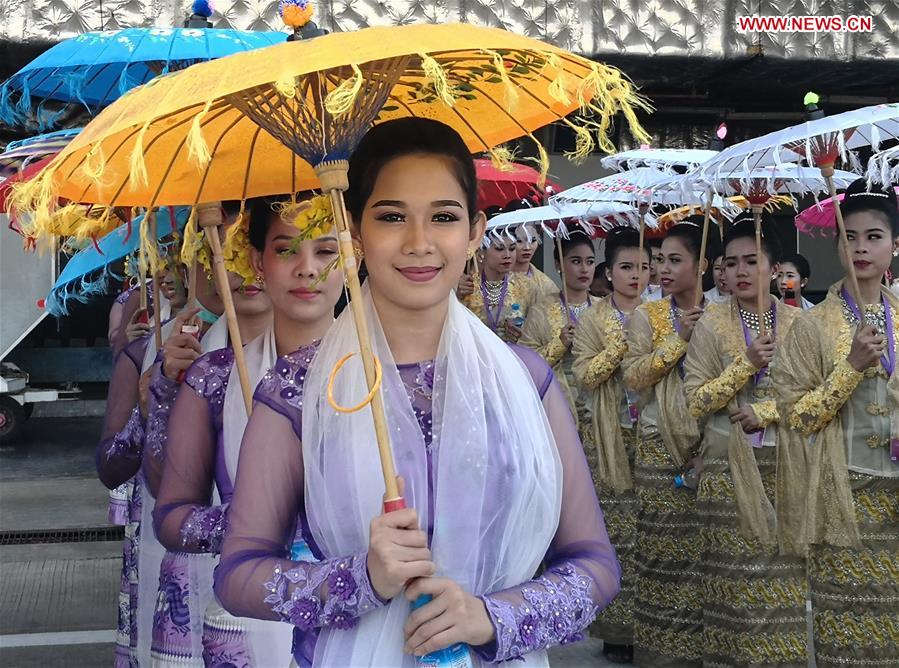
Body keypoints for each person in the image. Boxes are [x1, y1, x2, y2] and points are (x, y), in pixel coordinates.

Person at [215, 118, 621, 667]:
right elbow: (238, 575)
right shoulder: (298, 391)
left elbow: (594, 564)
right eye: (391, 217)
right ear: (355, 233)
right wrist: (360, 579)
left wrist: (493, 616)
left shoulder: (526, 381)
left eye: (444, 218)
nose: (419, 243)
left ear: (475, 232)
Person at [148, 195, 344, 666]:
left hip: (361, 624)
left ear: (354, 255)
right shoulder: (214, 376)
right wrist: (248, 524)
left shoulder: (388, 374)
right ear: (256, 260)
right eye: (285, 250)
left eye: (326, 251)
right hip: (249, 625)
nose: (306, 268)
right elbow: (170, 515)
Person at [774, 178, 898, 668]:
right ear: (838, 243)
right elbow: (795, 414)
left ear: (894, 246)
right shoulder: (811, 324)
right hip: (840, 490)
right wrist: (849, 369)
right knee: (844, 622)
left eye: (875, 236)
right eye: (852, 237)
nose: (862, 247)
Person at [683, 217, 806, 668]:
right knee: (732, 586)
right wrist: (744, 367)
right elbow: (694, 400)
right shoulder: (711, 325)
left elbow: (813, 398)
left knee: (783, 584)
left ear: (774, 268)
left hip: (786, 467)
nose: (740, 271)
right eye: (730, 263)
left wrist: (767, 411)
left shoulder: (799, 323)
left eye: (751, 261)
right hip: (726, 468)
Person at [621, 221, 719, 668]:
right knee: (662, 555)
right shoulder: (648, 315)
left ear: (702, 265)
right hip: (661, 446)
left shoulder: (722, 315)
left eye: (674, 260)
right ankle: (662, 658)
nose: (661, 268)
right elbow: (635, 377)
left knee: (707, 558)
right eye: (659, 259)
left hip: (714, 446)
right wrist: (678, 338)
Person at [570, 226, 649, 664]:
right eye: (625, 268)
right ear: (609, 272)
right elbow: (584, 374)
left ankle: (653, 627)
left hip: (655, 432)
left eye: (642, 267)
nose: (634, 276)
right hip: (608, 433)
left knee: (651, 531)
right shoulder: (594, 319)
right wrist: (620, 348)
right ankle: (618, 630)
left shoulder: (660, 311)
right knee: (617, 529)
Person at [520, 228, 595, 417]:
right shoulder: (541, 310)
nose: (584, 269)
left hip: (598, 403)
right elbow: (525, 365)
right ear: (558, 264)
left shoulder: (604, 309)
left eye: (590, 262)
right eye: (576, 261)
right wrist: (559, 344)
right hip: (557, 402)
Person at [460, 235, 537, 343]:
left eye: (512, 249)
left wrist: (522, 328)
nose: (507, 255)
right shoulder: (467, 286)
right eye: (499, 249)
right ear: (482, 252)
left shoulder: (527, 287)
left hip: (514, 356)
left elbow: (537, 336)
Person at [513, 223, 558, 297]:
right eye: (519, 241)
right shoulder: (496, 278)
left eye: (533, 240)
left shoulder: (546, 285)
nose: (527, 247)